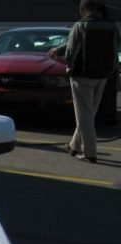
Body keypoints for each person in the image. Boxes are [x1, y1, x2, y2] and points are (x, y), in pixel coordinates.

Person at [48, 0, 120, 163]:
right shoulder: (111, 26)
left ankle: (89, 152)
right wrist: (110, 70)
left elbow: (72, 50)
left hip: (81, 76)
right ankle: (75, 144)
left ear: (84, 9)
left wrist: (65, 64)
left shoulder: (80, 25)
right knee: (89, 112)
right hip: (102, 75)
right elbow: (116, 50)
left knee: (84, 115)